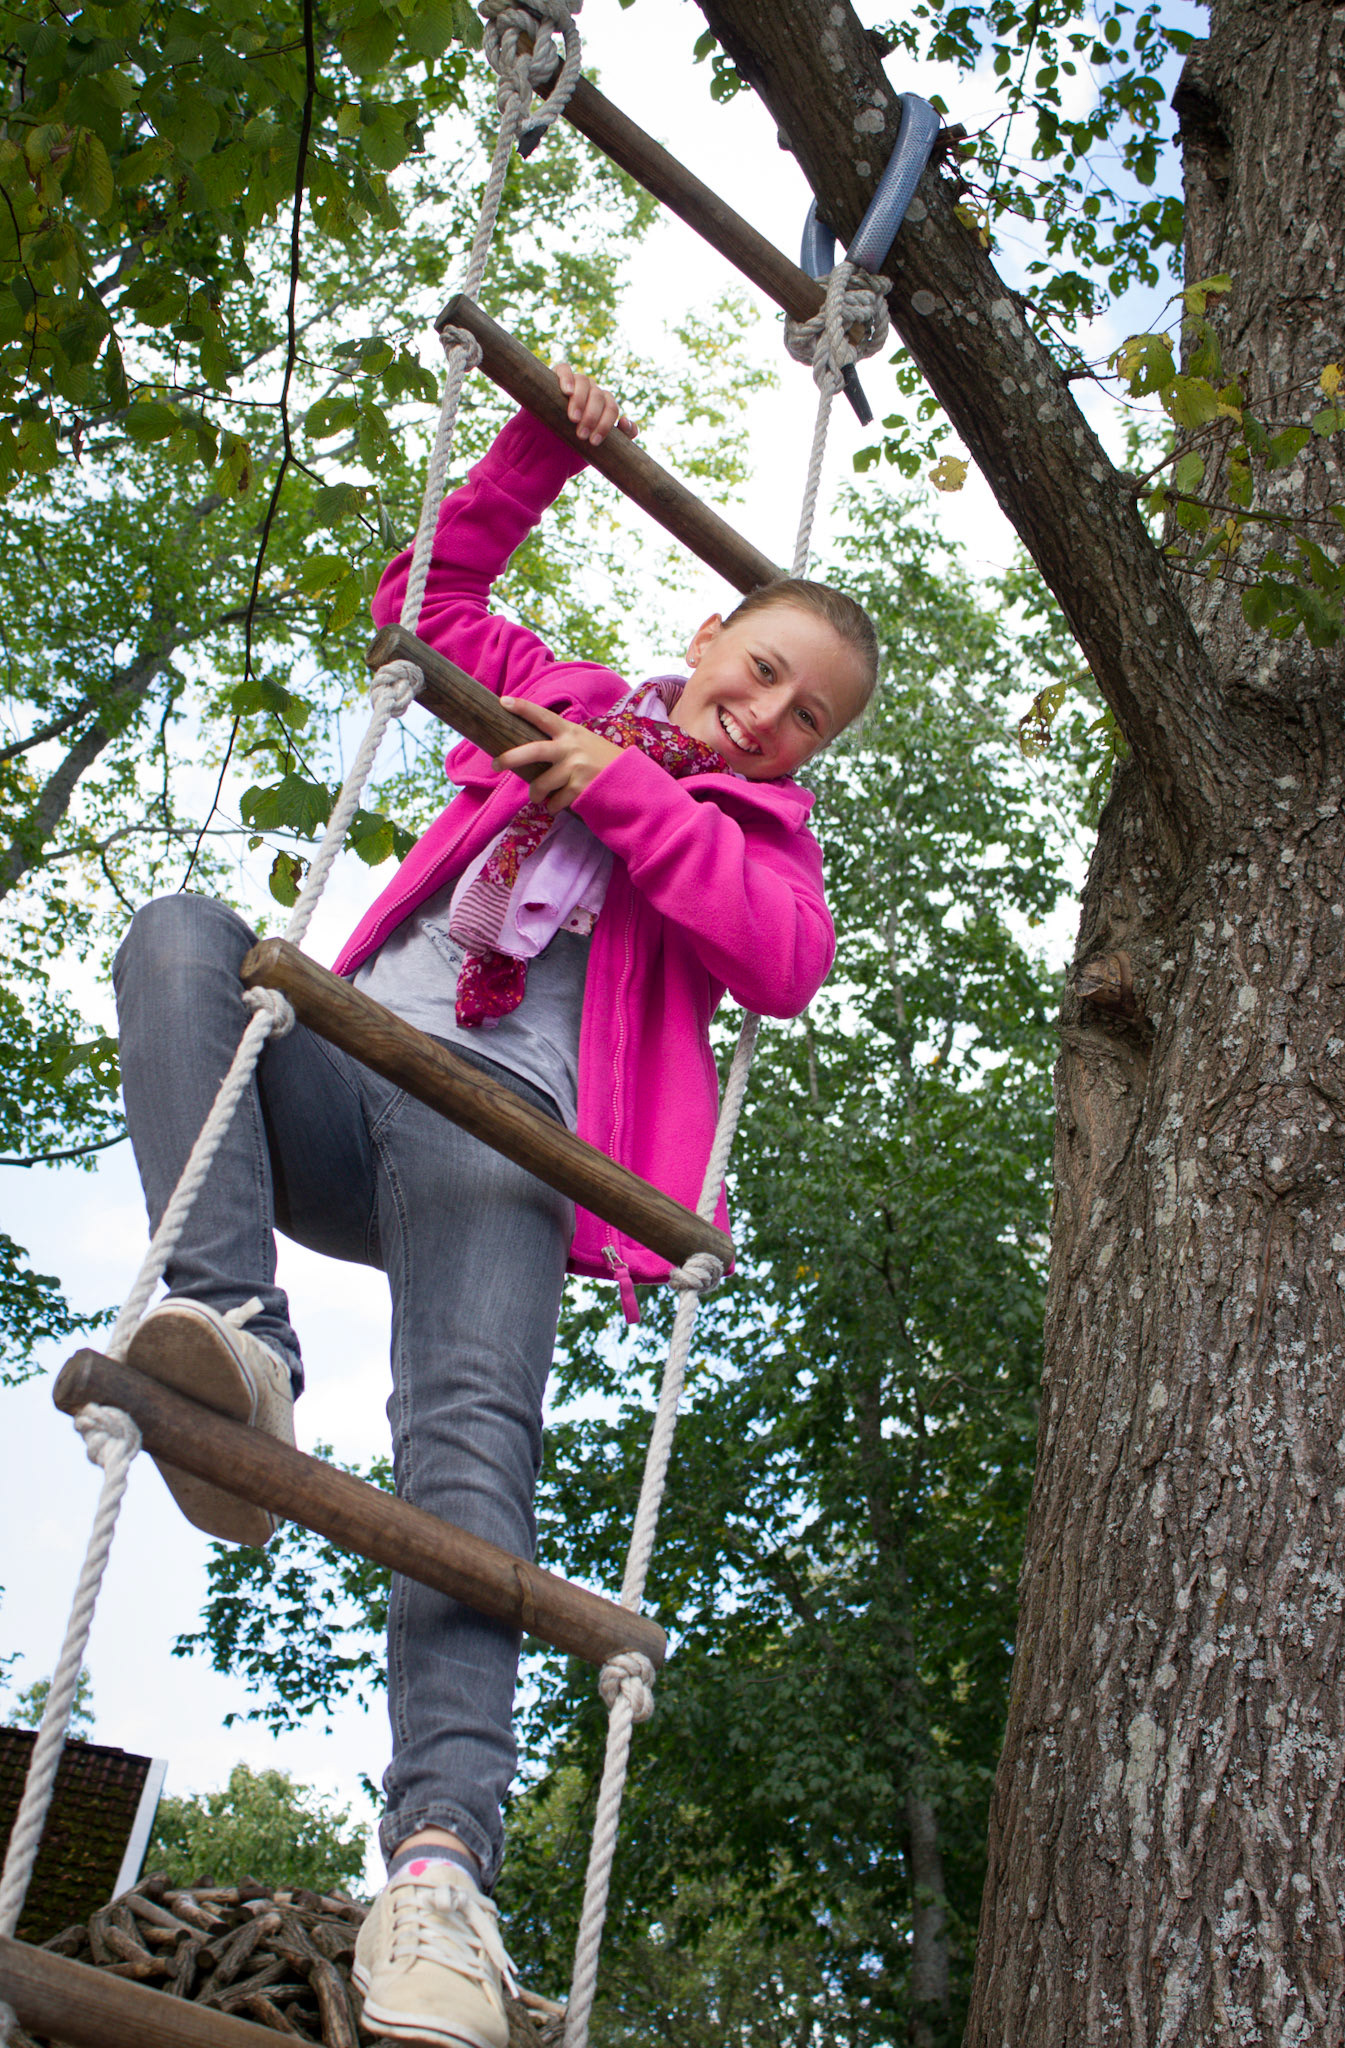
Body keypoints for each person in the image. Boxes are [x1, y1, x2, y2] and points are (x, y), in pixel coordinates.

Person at [112, 367, 878, 2048]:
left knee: (467, 1452)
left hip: (506, 1137)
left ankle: (440, 1874)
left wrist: (621, 789)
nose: (767, 717)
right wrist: (544, 449)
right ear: (707, 637)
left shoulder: (759, 838)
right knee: (180, 934)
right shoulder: (568, 695)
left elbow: (780, 961)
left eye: (807, 718)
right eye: (760, 670)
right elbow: (422, 603)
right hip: (341, 1074)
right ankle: (231, 1329)